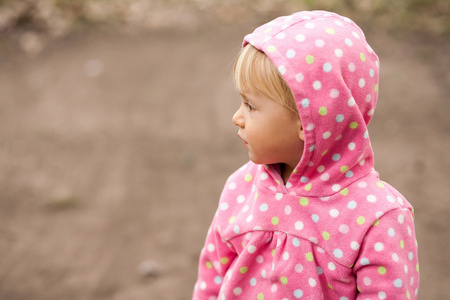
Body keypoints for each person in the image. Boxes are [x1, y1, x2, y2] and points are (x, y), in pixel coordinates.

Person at [192, 10, 419, 299]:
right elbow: (212, 276)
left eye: (250, 105)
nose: (237, 117)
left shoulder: (376, 218)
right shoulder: (241, 188)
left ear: (306, 120)